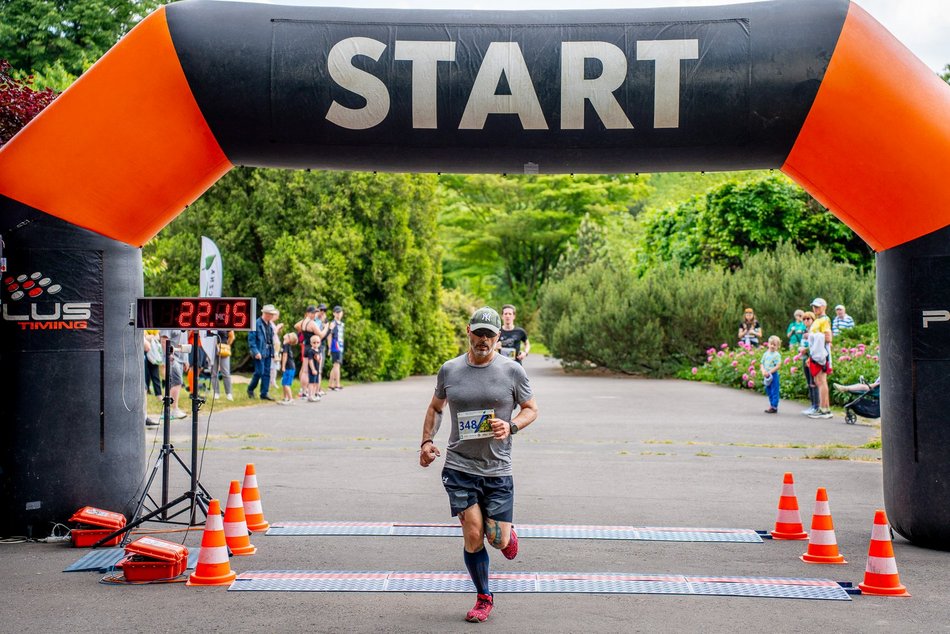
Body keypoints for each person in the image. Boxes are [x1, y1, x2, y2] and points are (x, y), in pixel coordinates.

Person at [419, 306, 539, 623]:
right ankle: (484, 596)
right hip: (459, 466)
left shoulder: (513, 371)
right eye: (479, 333)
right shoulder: (450, 369)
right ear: (469, 332)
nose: (483, 340)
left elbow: (531, 409)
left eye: (490, 334)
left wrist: (511, 425)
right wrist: (427, 442)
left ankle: (506, 535)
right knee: (473, 534)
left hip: (497, 468)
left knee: (497, 539)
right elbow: (435, 407)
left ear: (499, 338)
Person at [807, 298, 834, 419]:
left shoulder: (824, 320)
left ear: (824, 307)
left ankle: (823, 409)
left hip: (821, 354)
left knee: (821, 380)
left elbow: (828, 338)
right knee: (819, 381)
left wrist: (813, 336)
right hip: (816, 354)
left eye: (818, 306)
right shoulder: (818, 320)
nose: (815, 309)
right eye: (814, 306)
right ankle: (825, 408)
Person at [247, 304, 278, 401]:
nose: (273, 316)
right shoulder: (256, 323)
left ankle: (264, 393)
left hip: (268, 351)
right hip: (259, 351)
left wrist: (273, 353)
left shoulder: (270, 324)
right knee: (259, 372)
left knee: (267, 372)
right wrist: (256, 352)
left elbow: (271, 339)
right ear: (266, 314)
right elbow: (251, 340)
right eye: (271, 314)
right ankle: (250, 389)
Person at [159, 329, 189, 419]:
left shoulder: (184, 324)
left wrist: (186, 360)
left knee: (174, 383)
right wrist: (169, 355)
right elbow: (164, 340)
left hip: (181, 359)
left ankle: (169, 410)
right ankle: (173, 409)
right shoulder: (169, 323)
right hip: (172, 358)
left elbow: (185, 343)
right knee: (177, 382)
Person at [294, 305, 321, 399]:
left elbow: (296, 325)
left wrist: (304, 333)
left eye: (315, 313)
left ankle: (304, 391)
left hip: (306, 345)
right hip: (311, 347)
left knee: (305, 370)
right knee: (312, 370)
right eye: (313, 313)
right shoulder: (311, 322)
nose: (315, 314)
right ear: (308, 313)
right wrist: (328, 329)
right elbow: (320, 335)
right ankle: (311, 392)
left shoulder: (304, 321)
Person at [798, 312, 821, 416]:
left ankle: (816, 406)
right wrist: (801, 349)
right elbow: (802, 343)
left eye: (808, 319)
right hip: (804, 357)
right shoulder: (804, 331)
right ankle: (812, 405)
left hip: (812, 358)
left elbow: (815, 345)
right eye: (804, 319)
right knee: (809, 382)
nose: (806, 320)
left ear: (813, 319)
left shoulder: (814, 331)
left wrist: (806, 350)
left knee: (813, 382)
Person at [760, 335, 782, 414]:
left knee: (774, 390)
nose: (772, 346)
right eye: (771, 344)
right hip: (766, 375)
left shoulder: (777, 355)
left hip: (773, 375)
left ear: (778, 346)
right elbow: (761, 363)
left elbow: (778, 365)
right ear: (768, 344)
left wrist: (770, 372)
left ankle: (774, 406)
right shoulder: (766, 354)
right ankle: (771, 404)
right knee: (768, 390)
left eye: (774, 345)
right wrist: (763, 371)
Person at [211, 330, 236, 401]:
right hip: (213, 349)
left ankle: (229, 393)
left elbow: (232, 336)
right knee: (214, 372)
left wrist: (226, 345)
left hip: (223, 348)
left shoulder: (225, 322)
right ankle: (216, 393)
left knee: (225, 372)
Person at [327, 306, 345, 391]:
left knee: (335, 365)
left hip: (340, 346)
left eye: (340, 312)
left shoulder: (341, 324)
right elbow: (330, 336)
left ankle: (331, 384)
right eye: (337, 312)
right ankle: (337, 384)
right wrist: (330, 348)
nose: (338, 314)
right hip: (335, 346)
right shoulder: (333, 323)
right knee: (336, 365)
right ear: (334, 313)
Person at [278, 332, 298, 405]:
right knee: (284, 383)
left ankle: (291, 399)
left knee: (286, 384)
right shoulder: (286, 345)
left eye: (288, 335)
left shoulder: (286, 345)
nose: (286, 334)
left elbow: (285, 356)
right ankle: (285, 398)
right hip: (290, 367)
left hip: (289, 367)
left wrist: (283, 366)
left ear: (289, 339)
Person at [305, 335, 322, 402]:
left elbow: (319, 361)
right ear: (311, 343)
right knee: (311, 383)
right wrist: (313, 369)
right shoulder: (311, 351)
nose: (316, 344)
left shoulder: (318, 351)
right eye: (314, 342)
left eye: (318, 342)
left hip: (317, 369)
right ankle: (310, 395)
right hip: (313, 370)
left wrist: (319, 369)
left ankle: (314, 394)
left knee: (316, 383)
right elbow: (310, 361)